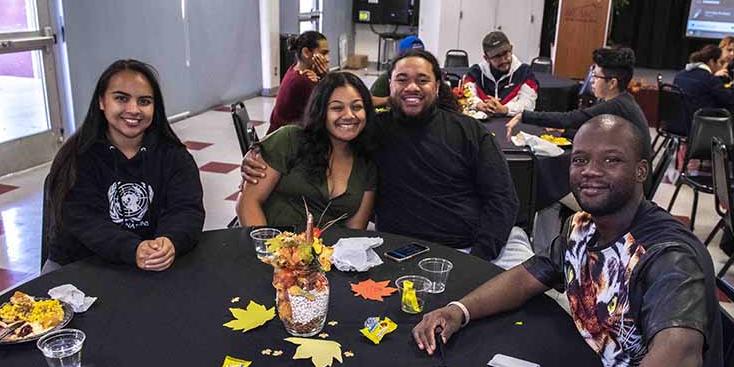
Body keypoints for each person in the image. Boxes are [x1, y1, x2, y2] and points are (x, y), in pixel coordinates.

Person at [413, 115, 722, 367]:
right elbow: (528, 275)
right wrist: (459, 310)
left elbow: (679, 353)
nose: (590, 171)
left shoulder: (669, 257)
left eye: (611, 160)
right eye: (580, 160)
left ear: (641, 170)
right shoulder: (583, 227)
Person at [243, 49, 527, 267]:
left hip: (471, 247)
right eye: (402, 80)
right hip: (398, 250)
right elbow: (318, 135)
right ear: (388, 87)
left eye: (422, 80)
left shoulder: (469, 132)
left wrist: (478, 257)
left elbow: (503, 199)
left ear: (437, 86)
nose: (412, 87)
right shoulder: (371, 132)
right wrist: (254, 159)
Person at [45, 59, 205, 273]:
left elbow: (186, 209)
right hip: (83, 266)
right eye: (121, 98)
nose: (133, 109)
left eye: (144, 101)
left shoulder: (174, 155)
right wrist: (132, 249)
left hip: (152, 265)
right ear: (101, 101)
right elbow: (86, 222)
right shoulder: (75, 157)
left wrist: (170, 241)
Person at [236, 72, 377, 229]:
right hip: (268, 244)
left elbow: (355, 232)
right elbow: (248, 202)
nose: (349, 115)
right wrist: (267, 249)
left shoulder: (366, 161)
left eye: (357, 107)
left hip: (327, 251)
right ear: (321, 110)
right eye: (337, 108)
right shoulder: (290, 140)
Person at [506, 47, 651, 165]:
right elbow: (596, 135)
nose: (591, 81)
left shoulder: (616, 105)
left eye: (596, 76)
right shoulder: (618, 100)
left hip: (631, 181)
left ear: (612, 83)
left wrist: (525, 115)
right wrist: (564, 132)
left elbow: (571, 118)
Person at [267, 31, 330, 135]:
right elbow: (327, 110)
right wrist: (325, 76)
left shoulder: (294, 70)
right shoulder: (304, 81)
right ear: (306, 52)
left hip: (282, 136)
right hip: (286, 144)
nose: (327, 59)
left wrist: (320, 79)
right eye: (323, 53)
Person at [462, 31, 538, 116]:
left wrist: (505, 109)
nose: (503, 60)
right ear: (486, 58)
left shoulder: (525, 73)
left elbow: (529, 104)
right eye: (497, 56)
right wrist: (479, 105)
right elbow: (466, 96)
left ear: (511, 49)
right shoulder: (475, 72)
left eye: (506, 53)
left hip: (513, 124)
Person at [674, 44, 734, 119]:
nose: (720, 66)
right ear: (711, 61)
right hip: (699, 126)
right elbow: (730, 99)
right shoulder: (710, 79)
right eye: (720, 62)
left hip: (675, 124)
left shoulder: (679, 75)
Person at [369, 35, 424, 107]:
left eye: (420, 57)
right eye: (402, 80)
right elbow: (368, 101)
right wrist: (392, 100)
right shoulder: (388, 77)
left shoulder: (430, 77)